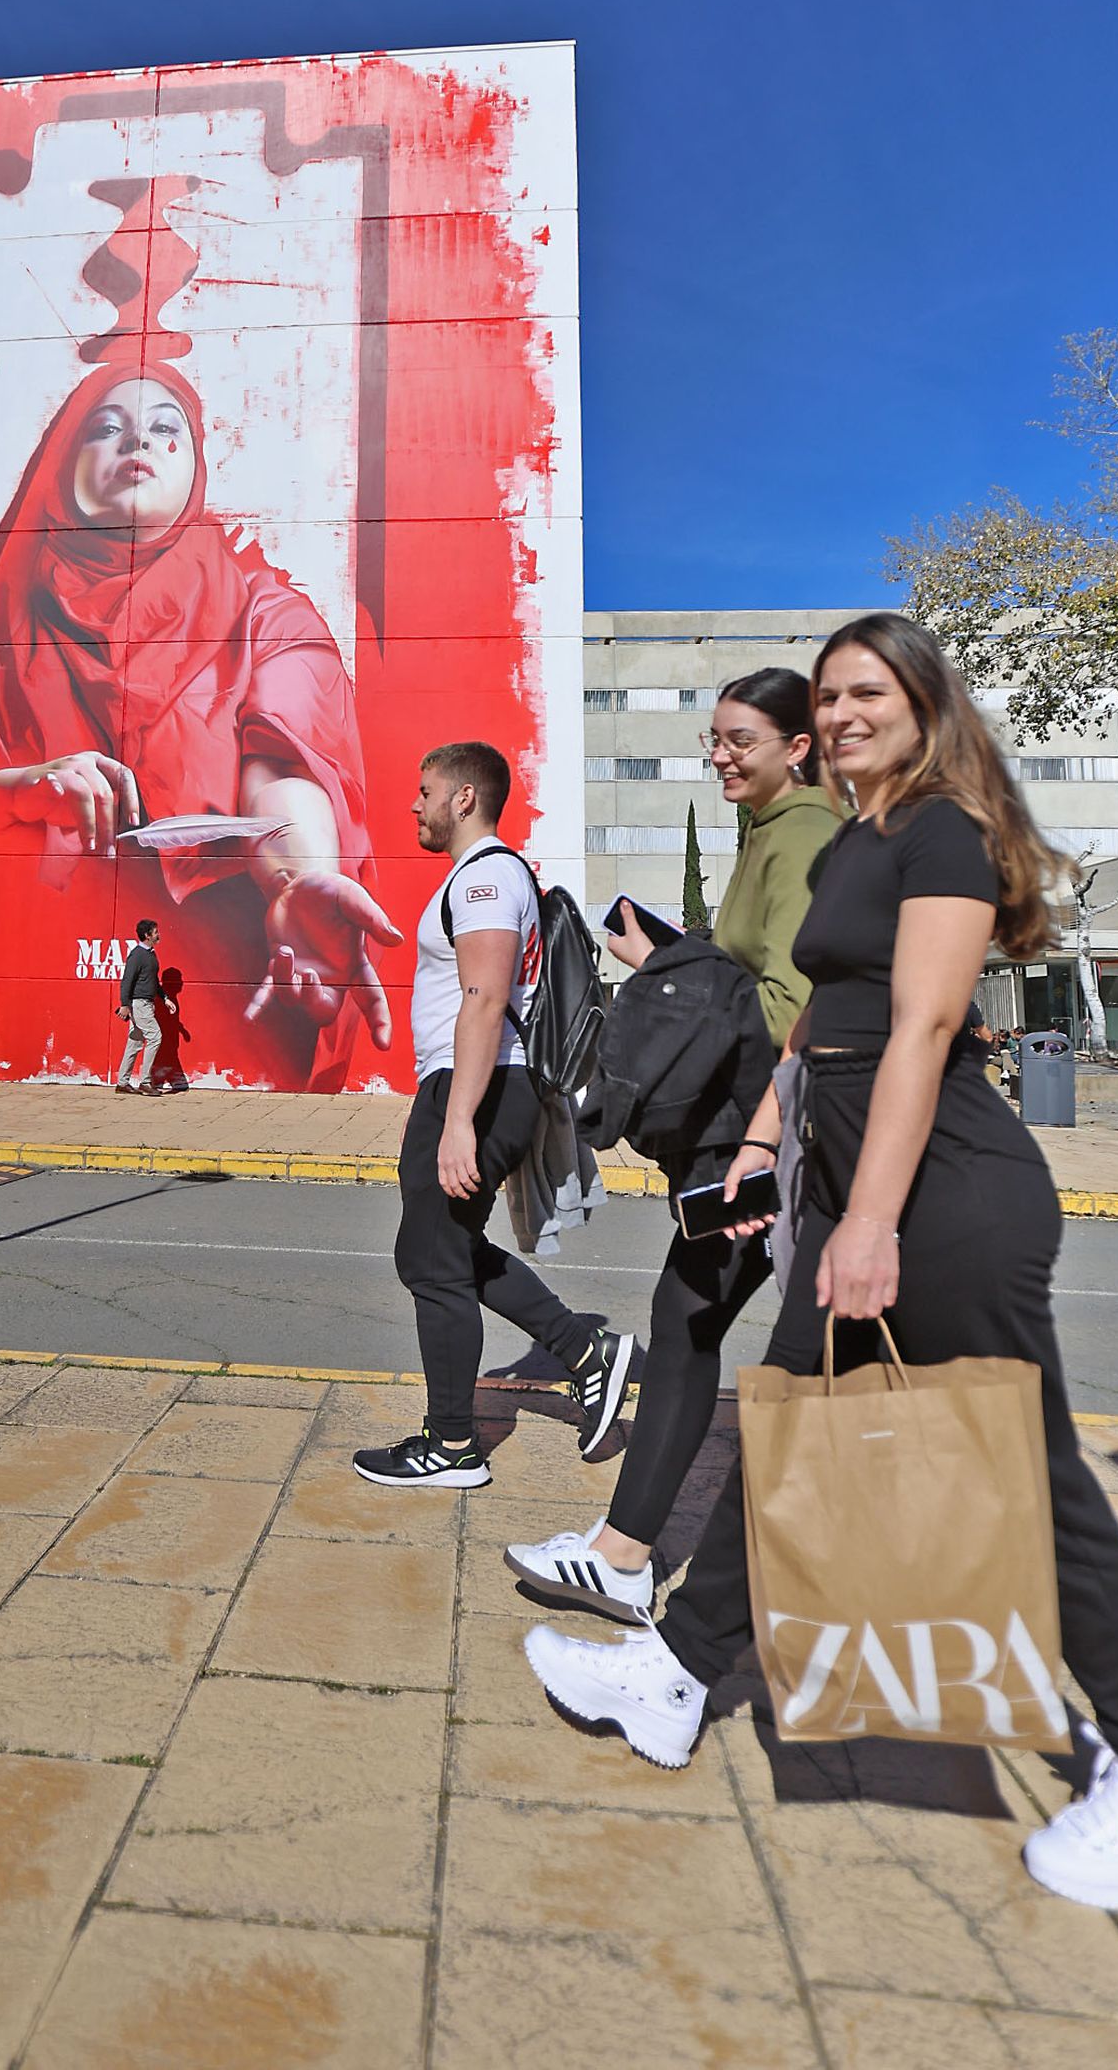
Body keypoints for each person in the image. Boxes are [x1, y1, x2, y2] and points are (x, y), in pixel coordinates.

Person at [523, 614, 1118, 1914]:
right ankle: (677, 1676)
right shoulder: (861, 835)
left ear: (922, 703)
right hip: (862, 1179)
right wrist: (757, 1148)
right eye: (834, 694)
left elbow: (919, 1026)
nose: (846, 711)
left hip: (948, 1196)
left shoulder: (943, 830)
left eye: (869, 692)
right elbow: (822, 1034)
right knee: (789, 1429)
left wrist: (869, 1224)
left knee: (1033, 1471)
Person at [0, 342, 400, 1091]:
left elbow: (284, 766)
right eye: (105, 428)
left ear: (196, 468)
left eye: (167, 429)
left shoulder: (268, 613)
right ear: (60, 467)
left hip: (225, 1006)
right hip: (3, 1021)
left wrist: (302, 882)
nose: (138, 443)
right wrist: (19, 787)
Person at [505, 668, 839, 1619]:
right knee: (691, 1325)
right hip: (745, 1135)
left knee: (758, 1341)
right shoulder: (769, 832)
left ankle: (643, 1562)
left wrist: (665, 963)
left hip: (765, 1136)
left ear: (796, 748)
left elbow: (791, 1003)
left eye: (740, 740)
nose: (719, 755)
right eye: (715, 739)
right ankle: (623, 1553)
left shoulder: (804, 834)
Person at [352, 742, 637, 1489]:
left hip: (476, 1088)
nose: (414, 805)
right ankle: (584, 1352)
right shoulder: (491, 877)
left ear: (465, 798)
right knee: (441, 1254)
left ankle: (452, 1446)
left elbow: (482, 1001)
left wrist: (457, 1124)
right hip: (478, 1087)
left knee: (433, 1263)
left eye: (425, 791)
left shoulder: (485, 879)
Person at [114, 918, 168, 1093]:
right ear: (147, 935)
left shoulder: (150, 954)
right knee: (155, 1037)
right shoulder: (137, 955)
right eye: (155, 932)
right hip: (140, 1004)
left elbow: (154, 981)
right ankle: (145, 1082)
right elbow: (127, 981)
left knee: (135, 1042)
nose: (158, 935)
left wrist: (165, 998)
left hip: (146, 1004)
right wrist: (124, 1005)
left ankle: (122, 1083)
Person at [149, 966, 192, 1094]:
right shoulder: (163, 997)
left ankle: (163, 1082)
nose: (181, 983)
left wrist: (182, 1030)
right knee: (163, 1057)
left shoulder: (170, 997)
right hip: (163, 1037)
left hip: (170, 1039)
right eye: (178, 979)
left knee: (168, 1057)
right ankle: (153, 1082)